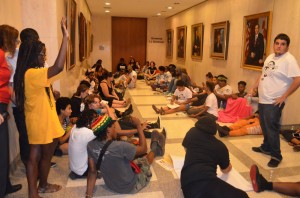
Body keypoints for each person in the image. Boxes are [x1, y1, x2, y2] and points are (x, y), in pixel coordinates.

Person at [14, 18, 68, 197]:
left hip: (47, 117)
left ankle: (43, 185)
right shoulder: (31, 73)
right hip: (38, 120)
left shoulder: (31, 72)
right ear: (32, 55)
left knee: (46, 154)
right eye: (42, 54)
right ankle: (33, 193)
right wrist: (65, 37)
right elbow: (58, 66)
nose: (44, 57)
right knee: (34, 157)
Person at [250, 33, 300, 167]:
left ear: (287, 47)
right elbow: (263, 74)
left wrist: (284, 96)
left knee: (272, 128)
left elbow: (297, 79)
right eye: (277, 43)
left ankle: (276, 156)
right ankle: (266, 147)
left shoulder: (289, 60)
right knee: (265, 126)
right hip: (263, 99)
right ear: (273, 44)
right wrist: (254, 87)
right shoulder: (271, 57)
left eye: (283, 44)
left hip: (274, 101)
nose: (279, 46)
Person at [85, 116, 166, 196]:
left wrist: (88, 195)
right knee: (144, 161)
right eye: (114, 128)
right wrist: (139, 126)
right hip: (130, 186)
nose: (116, 130)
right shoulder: (121, 146)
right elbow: (143, 149)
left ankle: (156, 148)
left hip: (111, 185)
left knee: (135, 160)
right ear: (108, 130)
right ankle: (155, 148)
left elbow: (92, 171)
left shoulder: (90, 145)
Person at [181, 116, 248, 198]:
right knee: (243, 196)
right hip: (206, 183)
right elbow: (225, 170)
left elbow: (186, 148)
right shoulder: (220, 146)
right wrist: (228, 164)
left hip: (186, 182)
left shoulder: (191, 132)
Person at [0, 24, 22, 197]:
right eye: (15, 39)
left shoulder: (4, 56)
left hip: (3, 105)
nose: (18, 42)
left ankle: (5, 184)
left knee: (4, 150)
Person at [68, 109, 98, 179]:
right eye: (95, 119)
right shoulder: (89, 133)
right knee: (101, 149)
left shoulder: (75, 127)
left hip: (74, 168)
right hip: (83, 170)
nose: (96, 121)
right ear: (89, 121)